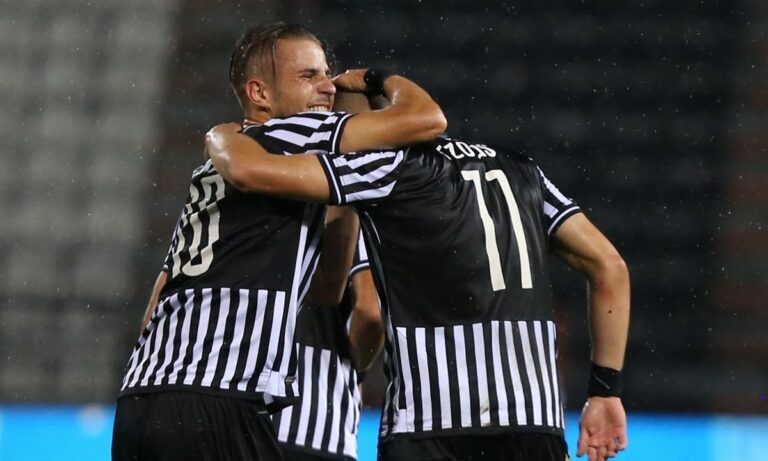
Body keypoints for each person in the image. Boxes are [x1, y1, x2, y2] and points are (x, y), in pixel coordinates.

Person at [205, 89, 630, 461]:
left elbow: (254, 173)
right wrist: (605, 391)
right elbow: (609, 266)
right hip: (533, 420)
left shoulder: (385, 172)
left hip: (429, 423)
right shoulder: (521, 170)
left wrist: (224, 139)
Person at [111, 22, 445, 461]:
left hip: (142, 396)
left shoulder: (213, 171)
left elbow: (325, 291)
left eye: (326, 73)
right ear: (260, 94)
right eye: (308, 76)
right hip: (218, 394)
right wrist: (375, 78)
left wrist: (343, 198)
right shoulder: (286, 136)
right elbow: (426, 119)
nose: (328, 87)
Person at [273, 232, 384, 461]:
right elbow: (370, 314)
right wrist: (359, 367)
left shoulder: (260, 220)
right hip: (322, 420)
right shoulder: (352, 220)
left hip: (251, 413)